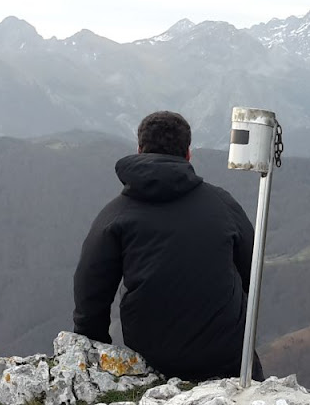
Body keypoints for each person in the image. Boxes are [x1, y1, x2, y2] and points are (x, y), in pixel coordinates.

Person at [73, 110, 264, 381]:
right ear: (188, 154)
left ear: (139, 150)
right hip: (226, 356)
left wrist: (95, 353)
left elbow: (90, 294)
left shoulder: (115, 215)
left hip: (151, 357)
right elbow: (252, 274)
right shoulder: (222, 205)